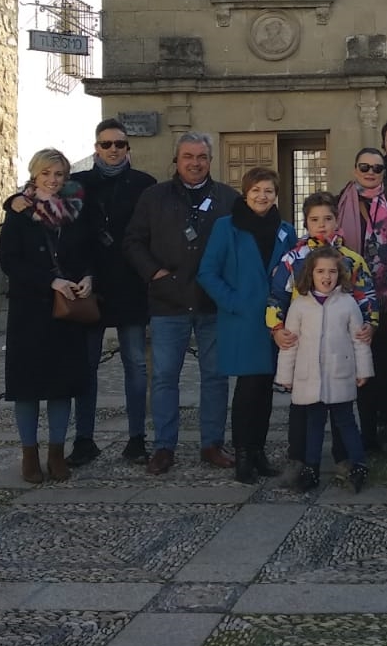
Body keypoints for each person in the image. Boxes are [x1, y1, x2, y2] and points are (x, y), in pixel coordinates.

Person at [122, 132, 238, 476]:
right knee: (164, 378)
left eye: (201, 157)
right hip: (168, 302)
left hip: (212, 302)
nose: (195, 163)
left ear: (210, 160)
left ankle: (212, 443)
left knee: (215, 377)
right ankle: (164, 447)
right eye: (188, 156)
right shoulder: (154, 197)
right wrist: (154, 273)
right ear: (177, 159)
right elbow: (133, 242)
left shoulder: (228, 199)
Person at [0, 149, 96, 484]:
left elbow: (87, 252)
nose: (52, 180)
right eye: (46, 174)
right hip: (29, 311)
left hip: (65, 311)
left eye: (58, 174)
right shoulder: (20, 211)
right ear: (35, 175)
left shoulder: (75, 211)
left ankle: (56, 452)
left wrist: (88, 277)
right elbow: (10, 261)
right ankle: (29, 454)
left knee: (61, 386)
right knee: (27, 387)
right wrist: (49, 281)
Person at [198, 166, 298, 483]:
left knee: (265, 390)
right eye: (256, 190)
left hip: (274, 323)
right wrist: (234, 302)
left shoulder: (286, 231)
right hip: (242, 320)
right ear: (245, 193)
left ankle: (258, 451)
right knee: (247, 388)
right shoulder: (226, 227)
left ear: (276, 195)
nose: (262, 196)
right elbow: (207, 273)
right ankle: (243, 454)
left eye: (268, 190)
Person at [269, 192, 376, 479]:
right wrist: (277, 329)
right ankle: (300, 460)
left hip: (340, 344)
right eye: (314, 220)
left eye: (328, 219)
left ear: (337, 221)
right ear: (305, 223)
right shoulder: (292, 258)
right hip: (304, 341)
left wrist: (370, 324)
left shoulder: (351, 259)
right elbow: (277, 296)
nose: (322, 225)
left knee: (342, 410)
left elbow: (366, 296)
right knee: (304, 412)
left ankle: (347, 459)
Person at [67, 119, 156, 464]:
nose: (113, 149)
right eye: (106, 144)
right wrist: (15, 200)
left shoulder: (145, 184)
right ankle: (84, 439)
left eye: (119, 144)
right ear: (96, 148)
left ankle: (136, 439)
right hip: (90, 285)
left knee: (135, 365)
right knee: (86, 366)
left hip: (130, 285)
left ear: (127, 147)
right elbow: (44, 199)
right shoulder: (78, 184)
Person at [337, 146, 387, 455]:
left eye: (377, 168)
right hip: (356, 299)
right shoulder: (340, 203)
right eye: (365, 167)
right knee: (363, 367)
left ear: (384, 172)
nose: (370, 173)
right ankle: (367, 433)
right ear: (355, 169)